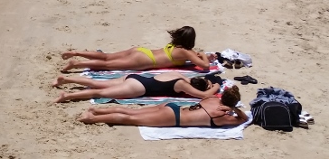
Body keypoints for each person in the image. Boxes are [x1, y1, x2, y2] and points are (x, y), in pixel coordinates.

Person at [78, 85, 247, 128]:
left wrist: (230, 105)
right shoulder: (222, 116)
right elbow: (243, 119)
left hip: (172, 107)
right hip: (174, 118)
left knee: (131, 111)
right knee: (130, 119)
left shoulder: (212, 99)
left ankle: (96, 109)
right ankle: (92, 118)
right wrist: (234, 109)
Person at [60, 26, 213, 72]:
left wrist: (199, 56)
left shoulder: (175, 45)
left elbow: (192, 59)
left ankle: (76, 52)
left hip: (141, 51)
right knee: (107, 66)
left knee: (106, 57)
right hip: (145, 60)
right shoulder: (186, 52)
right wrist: (204, 56)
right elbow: (205, 66)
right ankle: (75, 64)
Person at [52, 72, 218, 103]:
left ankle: (65, 79)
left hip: (135, 77)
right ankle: (66, 96)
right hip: (138, 87)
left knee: (98, 84)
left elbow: (201, 87)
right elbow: (205, 96)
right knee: (100, 92)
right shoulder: (182, 85)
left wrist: (208, 82)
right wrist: (216, 85)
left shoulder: (180, 77)